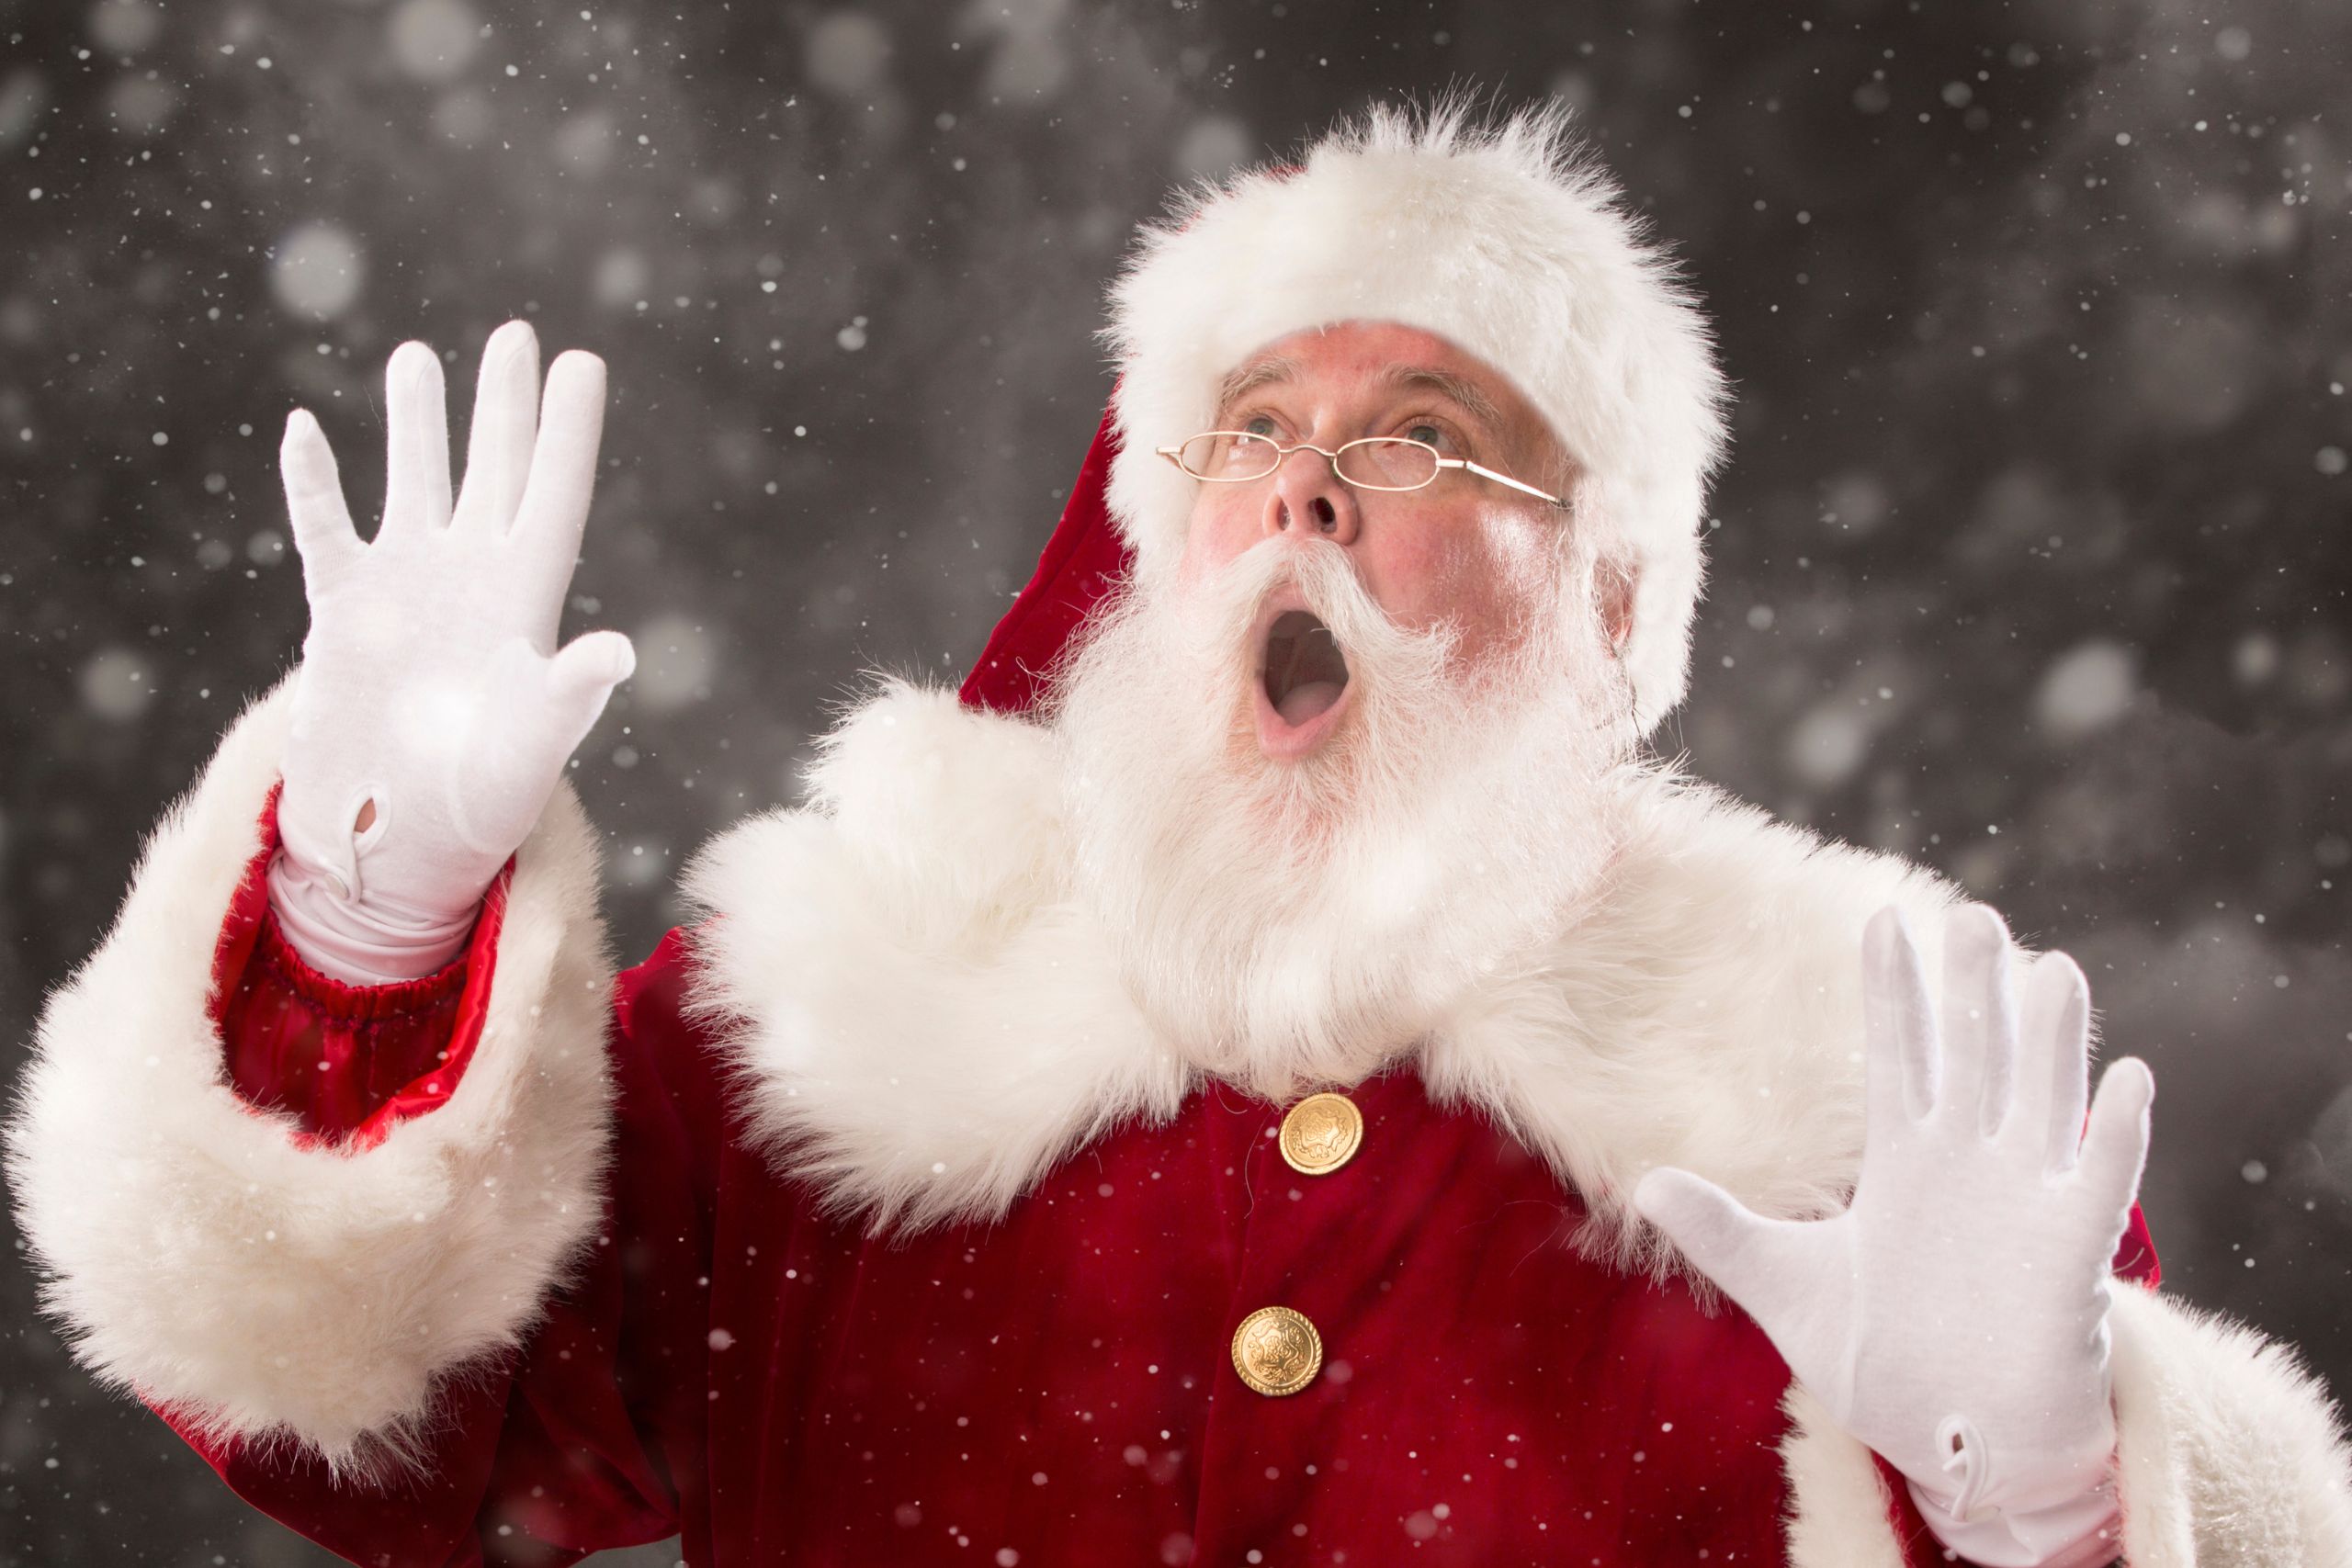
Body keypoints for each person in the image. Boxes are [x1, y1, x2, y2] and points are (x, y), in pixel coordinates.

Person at [8, 99, 2348, 1568]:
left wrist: (2046, 1508)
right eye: (1252, 428)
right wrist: (361, 912)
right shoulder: (836, 1027)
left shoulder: (1867, 1083)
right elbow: (412, 1459)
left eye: (1427, 435)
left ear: (1620, 603)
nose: (1309, 477)